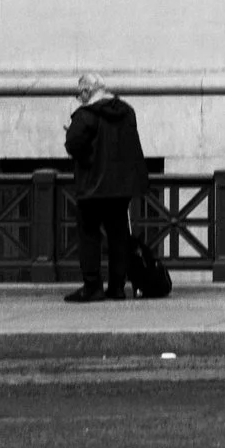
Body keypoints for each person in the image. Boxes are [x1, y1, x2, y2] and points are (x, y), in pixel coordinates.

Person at [62, 74, 148, 304]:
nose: (79, 98)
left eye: (80, 93)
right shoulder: (127, 111)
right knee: (118, 234)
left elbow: (73, 144)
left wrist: (71, 132)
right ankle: (117, 287)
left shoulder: (86, 115)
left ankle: (92, 286)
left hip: (92, 186)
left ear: (87, 92)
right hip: (120, 186)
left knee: (89, 235)